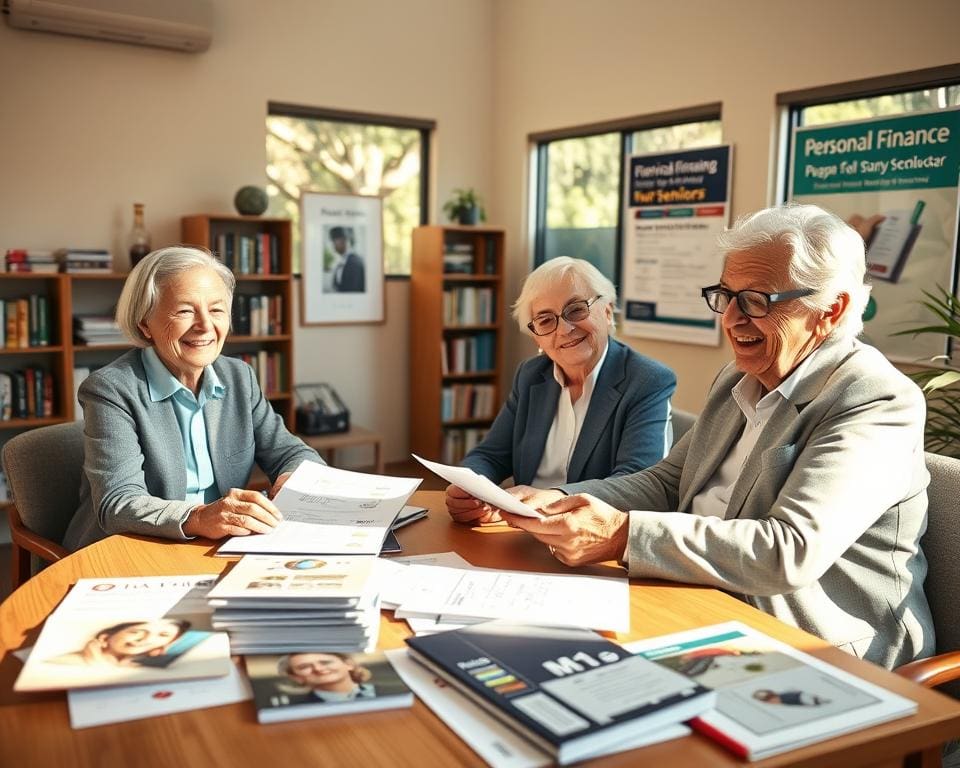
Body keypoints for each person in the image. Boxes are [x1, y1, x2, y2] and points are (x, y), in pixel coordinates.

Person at [500, 203, 934, 669]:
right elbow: (668, 482)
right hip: (701, 599)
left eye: (756, 301)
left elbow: (788, 551)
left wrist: (623, 535)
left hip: (817, 648)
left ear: (831, 310)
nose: (730, 319)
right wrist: (558, 500)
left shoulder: (875, 398)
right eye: (727, 296)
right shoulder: (737, 378)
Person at [63, 246, 322, 551]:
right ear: (145, 323)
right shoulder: (110, 389)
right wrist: (199, 517)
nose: (205, 326)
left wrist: (292, 477)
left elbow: (291, 452)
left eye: (216, 310)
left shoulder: (239, 377)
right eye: (185, 311)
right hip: (132, 546)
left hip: (217, 543)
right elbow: (118, 503)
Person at [446, 257, 676, 524]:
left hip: (591, 536)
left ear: (607, 312)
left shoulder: (648, 381)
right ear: (536, 336)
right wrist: (471, 488)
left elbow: (637, 486)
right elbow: (490, 455)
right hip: (524, 530)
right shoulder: (531, 375)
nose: (565, 329)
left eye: (576, 310)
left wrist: (554, 499)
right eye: (545, 320)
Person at [51, 619, 190, 666]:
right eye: (136, 632)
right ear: (105, 638)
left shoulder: (138, 668)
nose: (146, 639)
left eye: (163, 635)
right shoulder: (66, 662)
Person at [279, 652, 375, 702]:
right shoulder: (296, 709)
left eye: (325, 662)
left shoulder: (382, 692)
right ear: (295, 677)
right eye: (304, 667)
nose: (318, 669)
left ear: (349, 664)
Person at [329, 226, 365, 292]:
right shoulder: (341, 262)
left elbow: (354, 291)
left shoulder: (355, 263)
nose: (333, 244)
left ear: (343, 240)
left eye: (334, 240)